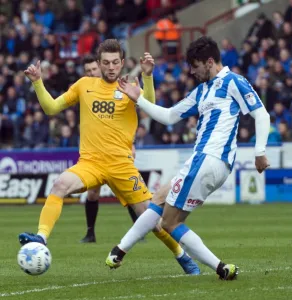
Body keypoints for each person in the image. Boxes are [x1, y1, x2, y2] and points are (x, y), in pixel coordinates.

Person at [18, 39, 200, 275]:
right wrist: (38, 82)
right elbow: (52, 108)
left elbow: (151, 108)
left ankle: (182, 256)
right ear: (99, 64)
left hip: (122, 166)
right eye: (106, 63)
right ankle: (41, 238)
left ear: (122, 63)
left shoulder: (129, 86)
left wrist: (147, 77)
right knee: (60, 184)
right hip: (90, 164)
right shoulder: (84, 85)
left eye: (115, 62)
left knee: (154, 221)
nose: (111, 67)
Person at [106, 36, 271, 280]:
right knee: (161, 196)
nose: (192, 72)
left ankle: (220, 267)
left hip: (208, 158)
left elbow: (261, 114)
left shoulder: (233, 81)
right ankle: (119, 251)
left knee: (169, 223)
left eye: (195, 66)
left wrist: (259, 152)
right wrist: (137, 97)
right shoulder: (201, 92)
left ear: (210, 62)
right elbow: (170, 116)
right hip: (208, 163)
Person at [80, 54, 140, 243]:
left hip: (119, 150)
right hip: (95, 151)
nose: (91, 73)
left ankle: (138, 231)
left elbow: (127, 117)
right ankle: (90, 233)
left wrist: (131, 143)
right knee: (93, 193)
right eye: (87, 71)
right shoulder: (85, 89)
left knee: (128, 191)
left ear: (100, 67)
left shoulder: (119, 86)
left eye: (93, 69)